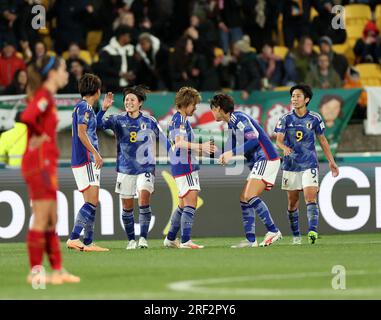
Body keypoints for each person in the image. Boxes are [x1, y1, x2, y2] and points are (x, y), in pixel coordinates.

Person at [21, 55, 80, 285]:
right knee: (42, 219)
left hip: (46, 163)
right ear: (53, 73)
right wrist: (39, 134)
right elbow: (27, 116)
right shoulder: (44, 95)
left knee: (51, 220)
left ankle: (57, 270)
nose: (67, 73)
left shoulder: (48, 97)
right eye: (64, 69)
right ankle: (35, 274)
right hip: (39, 164)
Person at [97, 85, 170, 249]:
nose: (129, 102)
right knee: (127, 207)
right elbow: (97, 124)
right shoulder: (117, 119)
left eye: (132, 99)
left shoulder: (149, 121)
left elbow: (163, 138)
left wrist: (174, 153)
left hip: (145, 168)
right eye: (126, 100)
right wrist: (103, 109)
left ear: (140, 103)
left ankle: (143, 238)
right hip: (125, 169)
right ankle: (131, 240)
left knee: (144, 199)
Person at [210, 93, 282, 248]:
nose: (212, 113)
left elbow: (254, 139)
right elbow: (229, 149)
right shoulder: (230, 124)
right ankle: (251, 241)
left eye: (212, 109)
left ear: (218, 108)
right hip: (260, 161)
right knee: (244, 198)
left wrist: (231, 153)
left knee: (249, 195)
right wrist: (214, 153)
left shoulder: (238, 118)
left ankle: (273, 230)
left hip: (266, 157)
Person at [275, 84, 339, 245]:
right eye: (293, 96)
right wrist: (284, 148)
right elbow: (278, 140)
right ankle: (296, 236)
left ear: (307, 99)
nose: (294, 99)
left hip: (309, 164)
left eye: (298, 96)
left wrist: (332, 162)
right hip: (290, 165)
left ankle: (312, 231)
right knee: (292, 203)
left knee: (310, 198)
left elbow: (323, 141)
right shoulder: (285, 119)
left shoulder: (315, 118)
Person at [163, 87, 216, 249]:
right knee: (191, 202)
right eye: (194, 104)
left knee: (182, 204)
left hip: (184, 165)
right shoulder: (179, 119)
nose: (195, 108)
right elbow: (179, 143)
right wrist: (202, 146)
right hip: (184, 166)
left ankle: (171, 238)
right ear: (186, 103)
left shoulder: (181, 119)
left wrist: (202, 150)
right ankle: (186, 241)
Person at [66, 73, 112, 252]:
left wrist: (104, 110)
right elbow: (81, 132)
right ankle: (74, 237)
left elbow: (94, 126)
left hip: (81, 159)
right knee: (92, 202)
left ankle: (88, 242)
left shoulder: (83, 107)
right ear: (97, 90)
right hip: (86, 159)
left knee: (91, 203)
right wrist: (96, 154)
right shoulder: (85, 108)